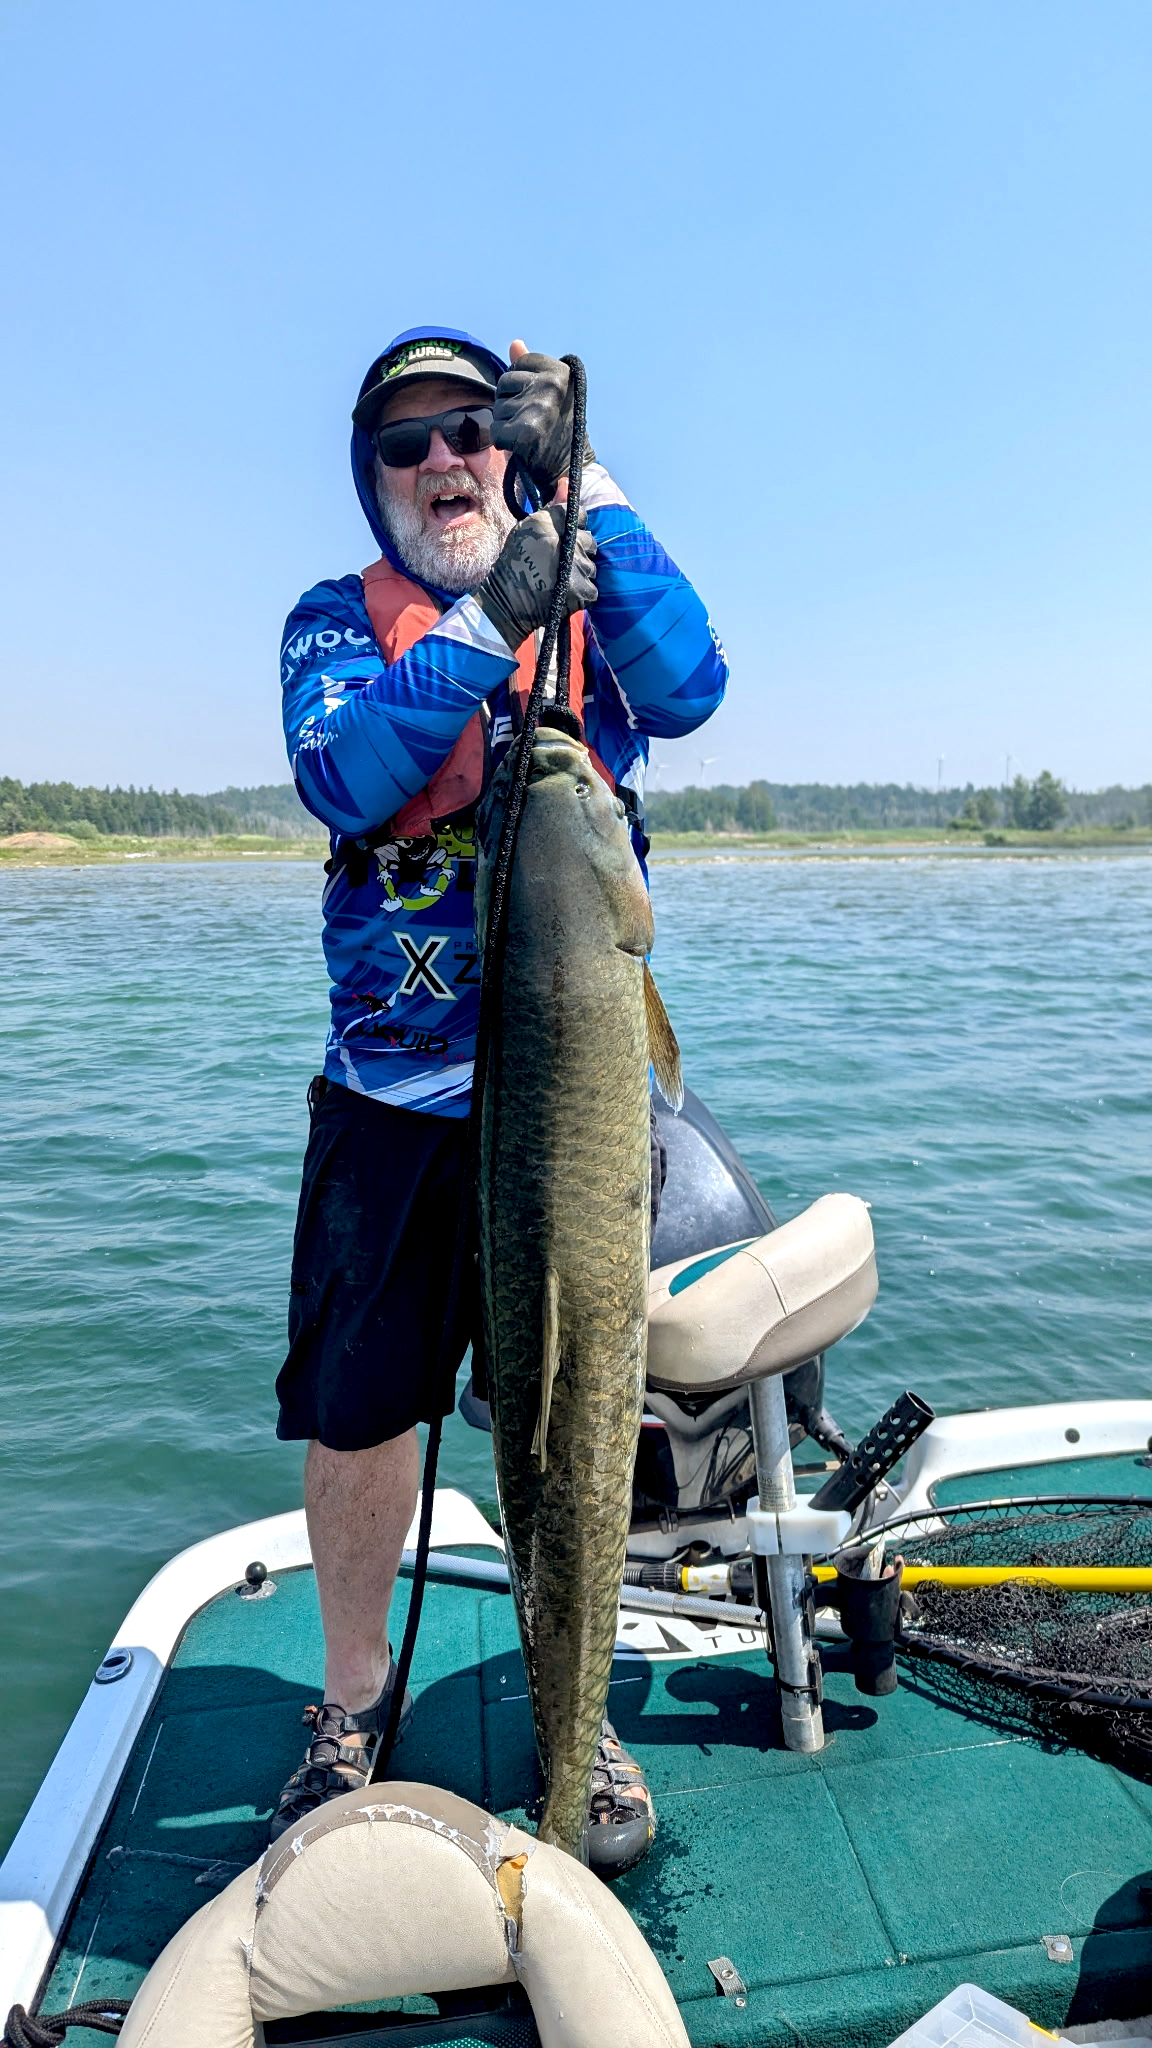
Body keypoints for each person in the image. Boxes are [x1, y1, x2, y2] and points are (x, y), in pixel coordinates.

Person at [273, 326, 727, 1866]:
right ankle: (350, 1707)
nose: (442, 461)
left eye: (471, 429)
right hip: (389, 1109)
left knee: (575, 1396)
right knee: (355, 1414)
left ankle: (575, 1707)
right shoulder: (338, 625)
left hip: (576, 1098)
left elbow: (696, 682)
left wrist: (588, 486)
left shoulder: (578, 581)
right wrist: (481, 624)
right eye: (406, 445)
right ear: (374, 480)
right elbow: (343, 773)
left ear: (508, 450)